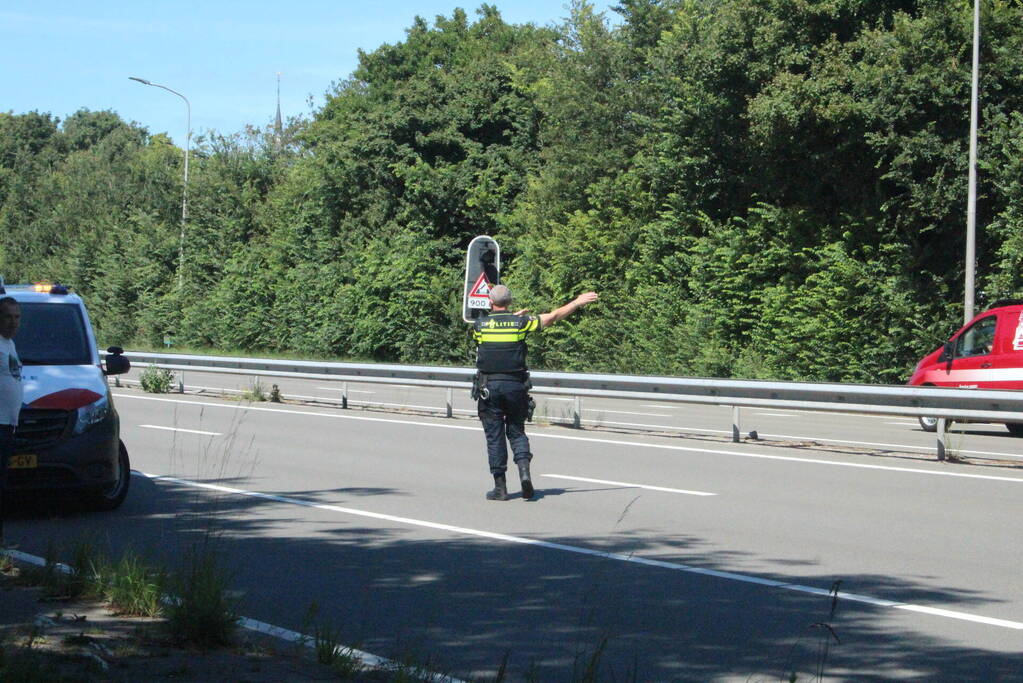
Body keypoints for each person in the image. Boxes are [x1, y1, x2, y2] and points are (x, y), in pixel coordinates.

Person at [472, 285, 599, 501]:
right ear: (510, 302)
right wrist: (577, 302)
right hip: (516, 387)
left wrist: (510, 319)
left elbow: (488, 340)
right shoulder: (521, 323)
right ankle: (524, 475)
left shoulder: (480, 325)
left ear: (489, 302)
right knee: (516, 431)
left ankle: (500, 489)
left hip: (489, 389)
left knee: (494, 437)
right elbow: (553, 316)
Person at [0, 297, 23, 545]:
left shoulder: (9, 344)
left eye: (17, 317)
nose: (13, 322)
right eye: (7, 316)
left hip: (8, 425)